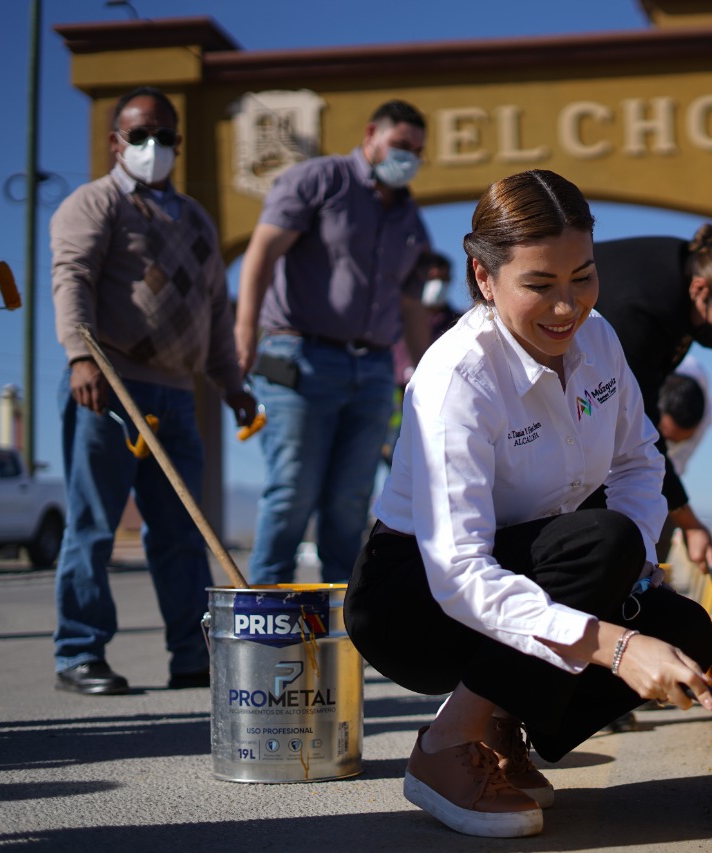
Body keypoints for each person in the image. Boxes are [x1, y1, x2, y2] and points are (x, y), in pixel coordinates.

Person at [344, 169, 712, 839]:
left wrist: (631, 569)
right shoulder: (456, 376)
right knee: (598, 547)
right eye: (540, 286)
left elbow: (638, 458)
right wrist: (615, 642)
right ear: (485, 279)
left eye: (583, 277)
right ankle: (444, 747)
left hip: (542, 564)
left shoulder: (599, 341)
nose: (567, 308)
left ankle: (504, 726)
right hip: (415, 601)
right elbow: (458, 572)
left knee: (688, 630)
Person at [50, 86, 257, 695]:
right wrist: (80, 357)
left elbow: (216, 309)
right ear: (116, 142)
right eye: (139, 135)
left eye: (163, 136)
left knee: (180, 532)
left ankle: (190, 655)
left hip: (176, 395)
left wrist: (231, 383)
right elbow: (73, 278)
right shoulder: (93, 205)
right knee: (94, 525)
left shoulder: (195, 218)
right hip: (110, 388)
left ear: (178, 142)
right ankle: (79, 652)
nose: (152, 146)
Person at [234, 99, 433, 585]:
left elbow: (411, 308)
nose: (407, 157)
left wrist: (426, 376)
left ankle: (344, 632)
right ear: (371, 136)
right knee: (292, 492)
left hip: (372, 372)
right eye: (400, 145)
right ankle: (266, 623)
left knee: (351, 501)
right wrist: (243, 333)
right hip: (299, 359)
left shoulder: (411, 220)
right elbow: (261, 250)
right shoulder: (319, 181)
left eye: (417, 151)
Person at [592, 227, 712, 575]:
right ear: (700, 289)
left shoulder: (686, 269)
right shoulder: (643, 310)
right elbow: (639, 426)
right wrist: (690, 522)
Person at [382, 250, 462, 466]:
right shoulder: (392, 320)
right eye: (431, 278)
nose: (437, 284)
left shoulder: (461, 324)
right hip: (393, 404)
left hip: (439, 406)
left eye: (442, 279)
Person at [656, 356, 712, 561]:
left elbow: (667, 475)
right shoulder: (638, 376)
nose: (674, 444)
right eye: (669, 438)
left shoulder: (706, 417)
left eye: (682, 441)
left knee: (664, 508)